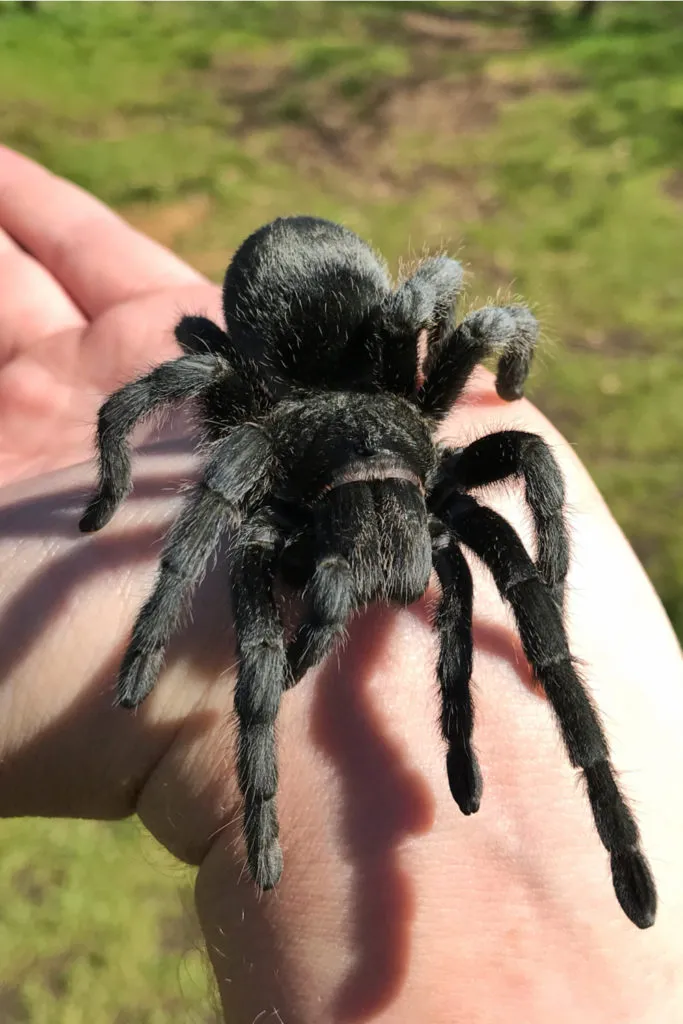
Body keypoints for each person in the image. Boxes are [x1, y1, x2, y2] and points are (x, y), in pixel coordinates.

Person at [0, 145, 681, 1024]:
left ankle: (616, 828)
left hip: (361, 392)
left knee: (515, 462)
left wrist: (545, 577)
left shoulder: (432, 434)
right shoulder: (254, 440)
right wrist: (149, 608)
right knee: (227, 481)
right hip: (290, 368)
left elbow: (463, 307)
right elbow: (170, 388)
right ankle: (262, 815)